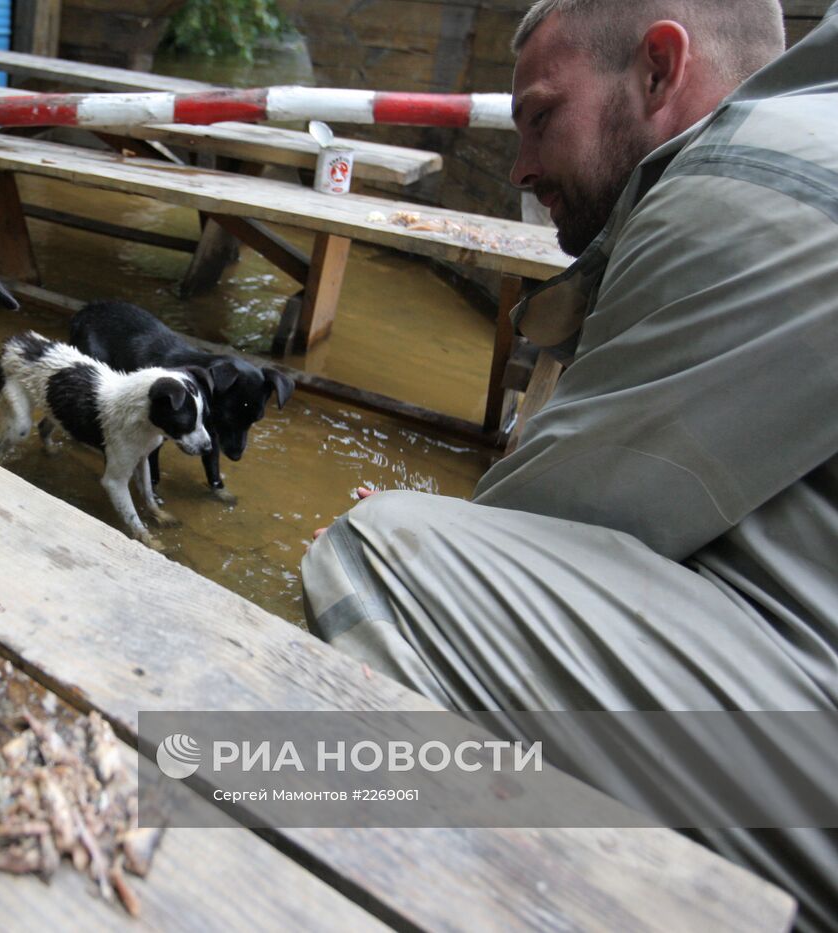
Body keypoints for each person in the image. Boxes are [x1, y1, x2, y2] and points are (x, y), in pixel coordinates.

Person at [301, 0, 838, 926]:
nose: (518, 167)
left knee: (382, 558)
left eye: (541, 116)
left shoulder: (738, 182)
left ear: (660, 70)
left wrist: (463, 533)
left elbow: (563, 521)